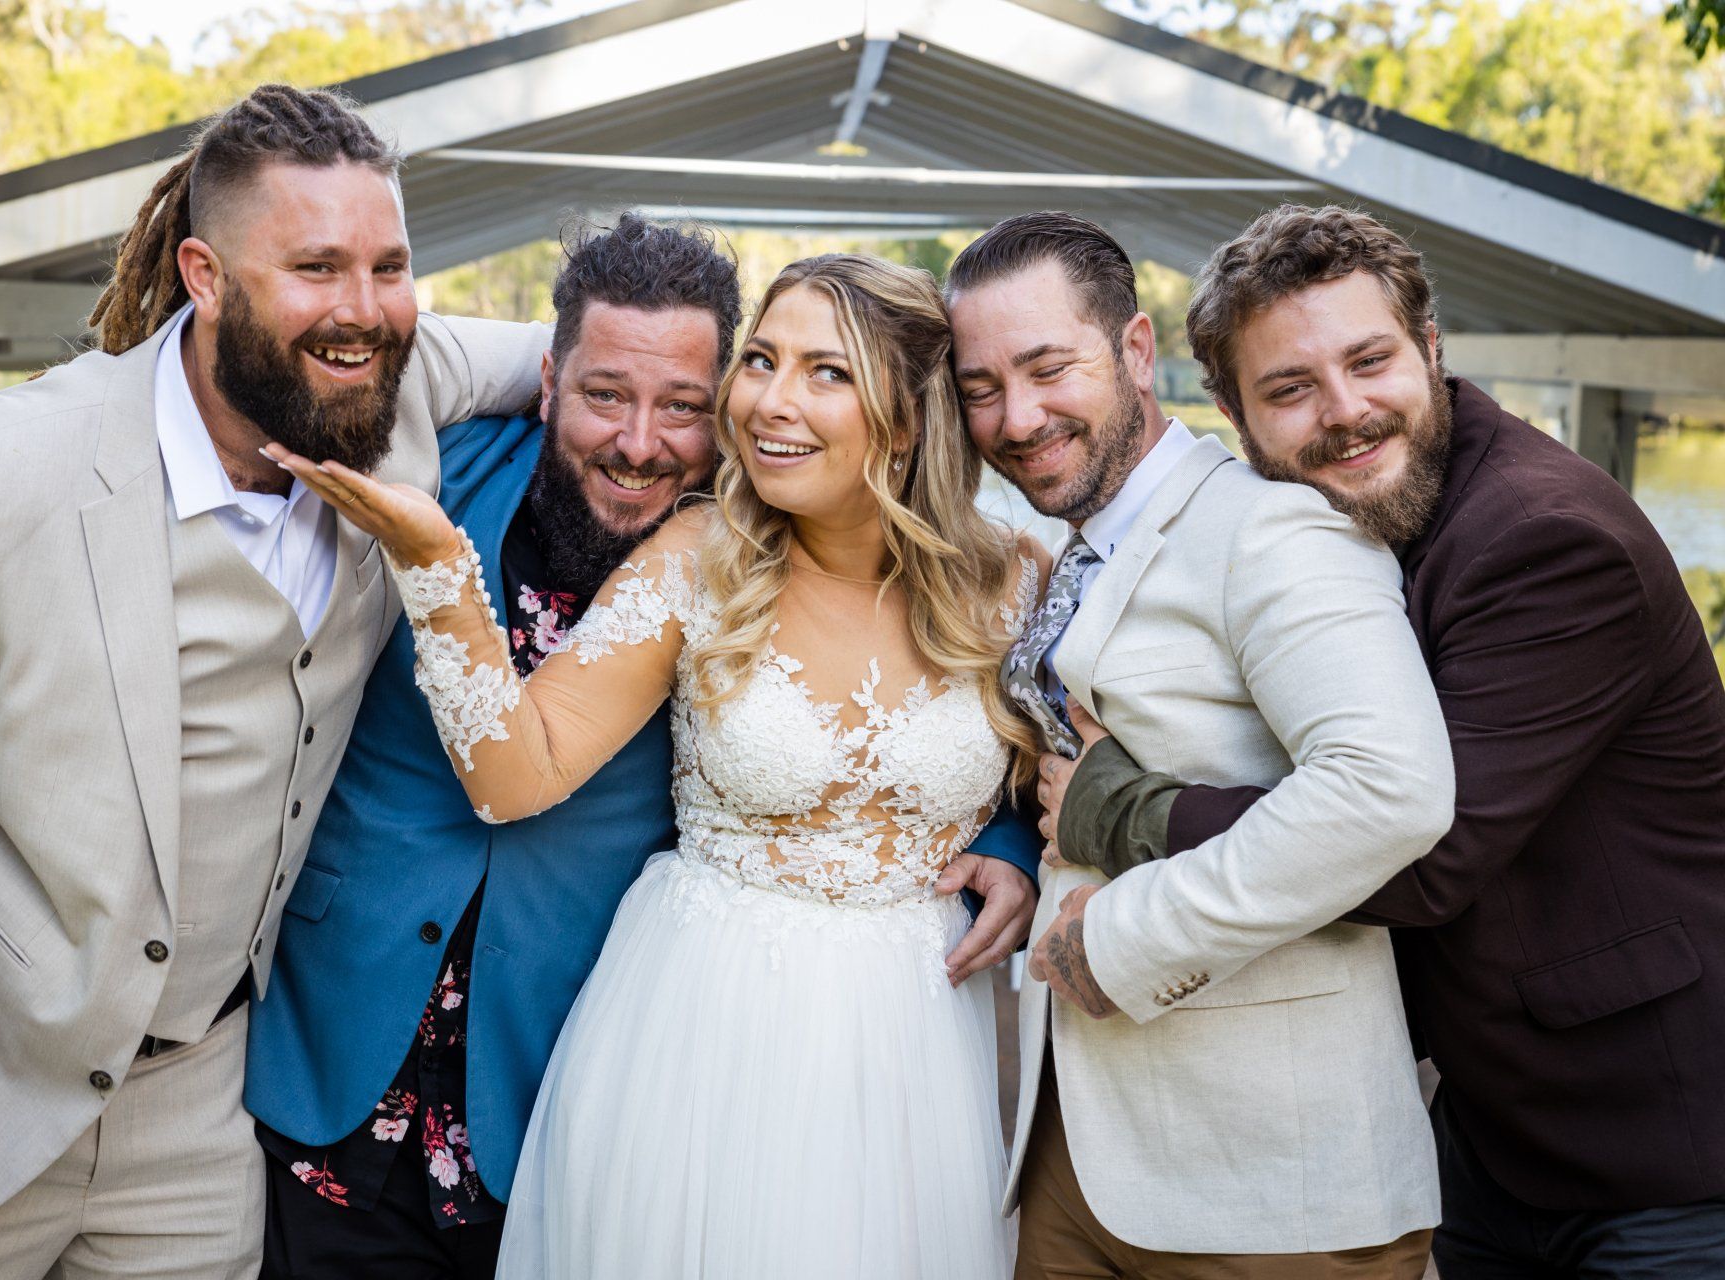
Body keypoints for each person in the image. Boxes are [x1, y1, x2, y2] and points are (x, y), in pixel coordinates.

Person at [0, 85, 548, 1279]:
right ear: (204, 275)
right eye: (314, 267)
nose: (362, 309)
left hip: (199, 1114)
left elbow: (615, 362)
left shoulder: (395, 387)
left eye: (390, 265)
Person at [266, 252, 1047, 1279]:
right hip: (699, 1027)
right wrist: (437, 568)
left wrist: (1013, 842)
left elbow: (1063, 774)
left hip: (909, 1046)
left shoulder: (1017, 580)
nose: (771, 398)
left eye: (825, 371)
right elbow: (517, 772)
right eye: (762, 361)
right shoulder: (702, 551)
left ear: (906, 415)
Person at [1051, 203, 1725, 1278]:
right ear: (1231, 412)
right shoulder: (1354, 526)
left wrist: (1123, 807)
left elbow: (1420, 844)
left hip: (1665, 1143)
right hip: (1494, 1141)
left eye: (1370, 361)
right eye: (1290, 388)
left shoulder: (1547, 539)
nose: (1347, 411)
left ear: (1431, 347)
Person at [943, 211, 1452, 1279]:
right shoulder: (1065, 547)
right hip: (1073, 1144)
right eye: (982, 386)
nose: (1016, 417)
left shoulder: (1273, 529)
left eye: (1046, 369)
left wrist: (1123, 938)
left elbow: (1388, 792)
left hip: (1271, 1180)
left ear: (1135, 352)